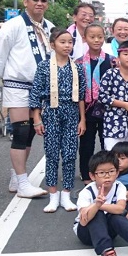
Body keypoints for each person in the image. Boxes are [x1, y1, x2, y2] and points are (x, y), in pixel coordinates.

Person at [0, 0, 54, 198]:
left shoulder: (49, 27)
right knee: (21, 131)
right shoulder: (13, 26)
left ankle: (18, 177)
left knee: (28, 136)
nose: (39, 3)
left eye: (43, 0)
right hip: (17, 85)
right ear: (26, 2)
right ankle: (23, 182)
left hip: (40, 88)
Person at [30, 28, 87, 212]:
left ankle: (66, 195)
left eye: (70, 42)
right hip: (51, 112)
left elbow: (81, 96)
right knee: (52, 154)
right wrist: (37, 119)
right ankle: (53, 195)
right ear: (52, 44)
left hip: (71, 113)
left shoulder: (77, 67)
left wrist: (82, 119)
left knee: (70, 154)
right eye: (63, 42)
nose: (67, 45)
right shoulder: (44, 66)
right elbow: (36, 94)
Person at [98, 40, 128, 201]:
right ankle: (110, 197)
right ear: (118, 57)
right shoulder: (110, 74)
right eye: (126, 54)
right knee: (112, 162)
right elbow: (103, 97)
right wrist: (124, 104)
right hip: (113, 125)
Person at [76, 24, 113, 185]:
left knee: (108, 142)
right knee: (86, 144)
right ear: (85, 38)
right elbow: (78, 93)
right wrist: (82, 118)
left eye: (100, 36)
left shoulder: (111, 61)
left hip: (108, 110)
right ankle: (86, 175)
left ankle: (108, 172)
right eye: (92, 37)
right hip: (87, 109)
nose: (96, 40)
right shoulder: (78, 63)